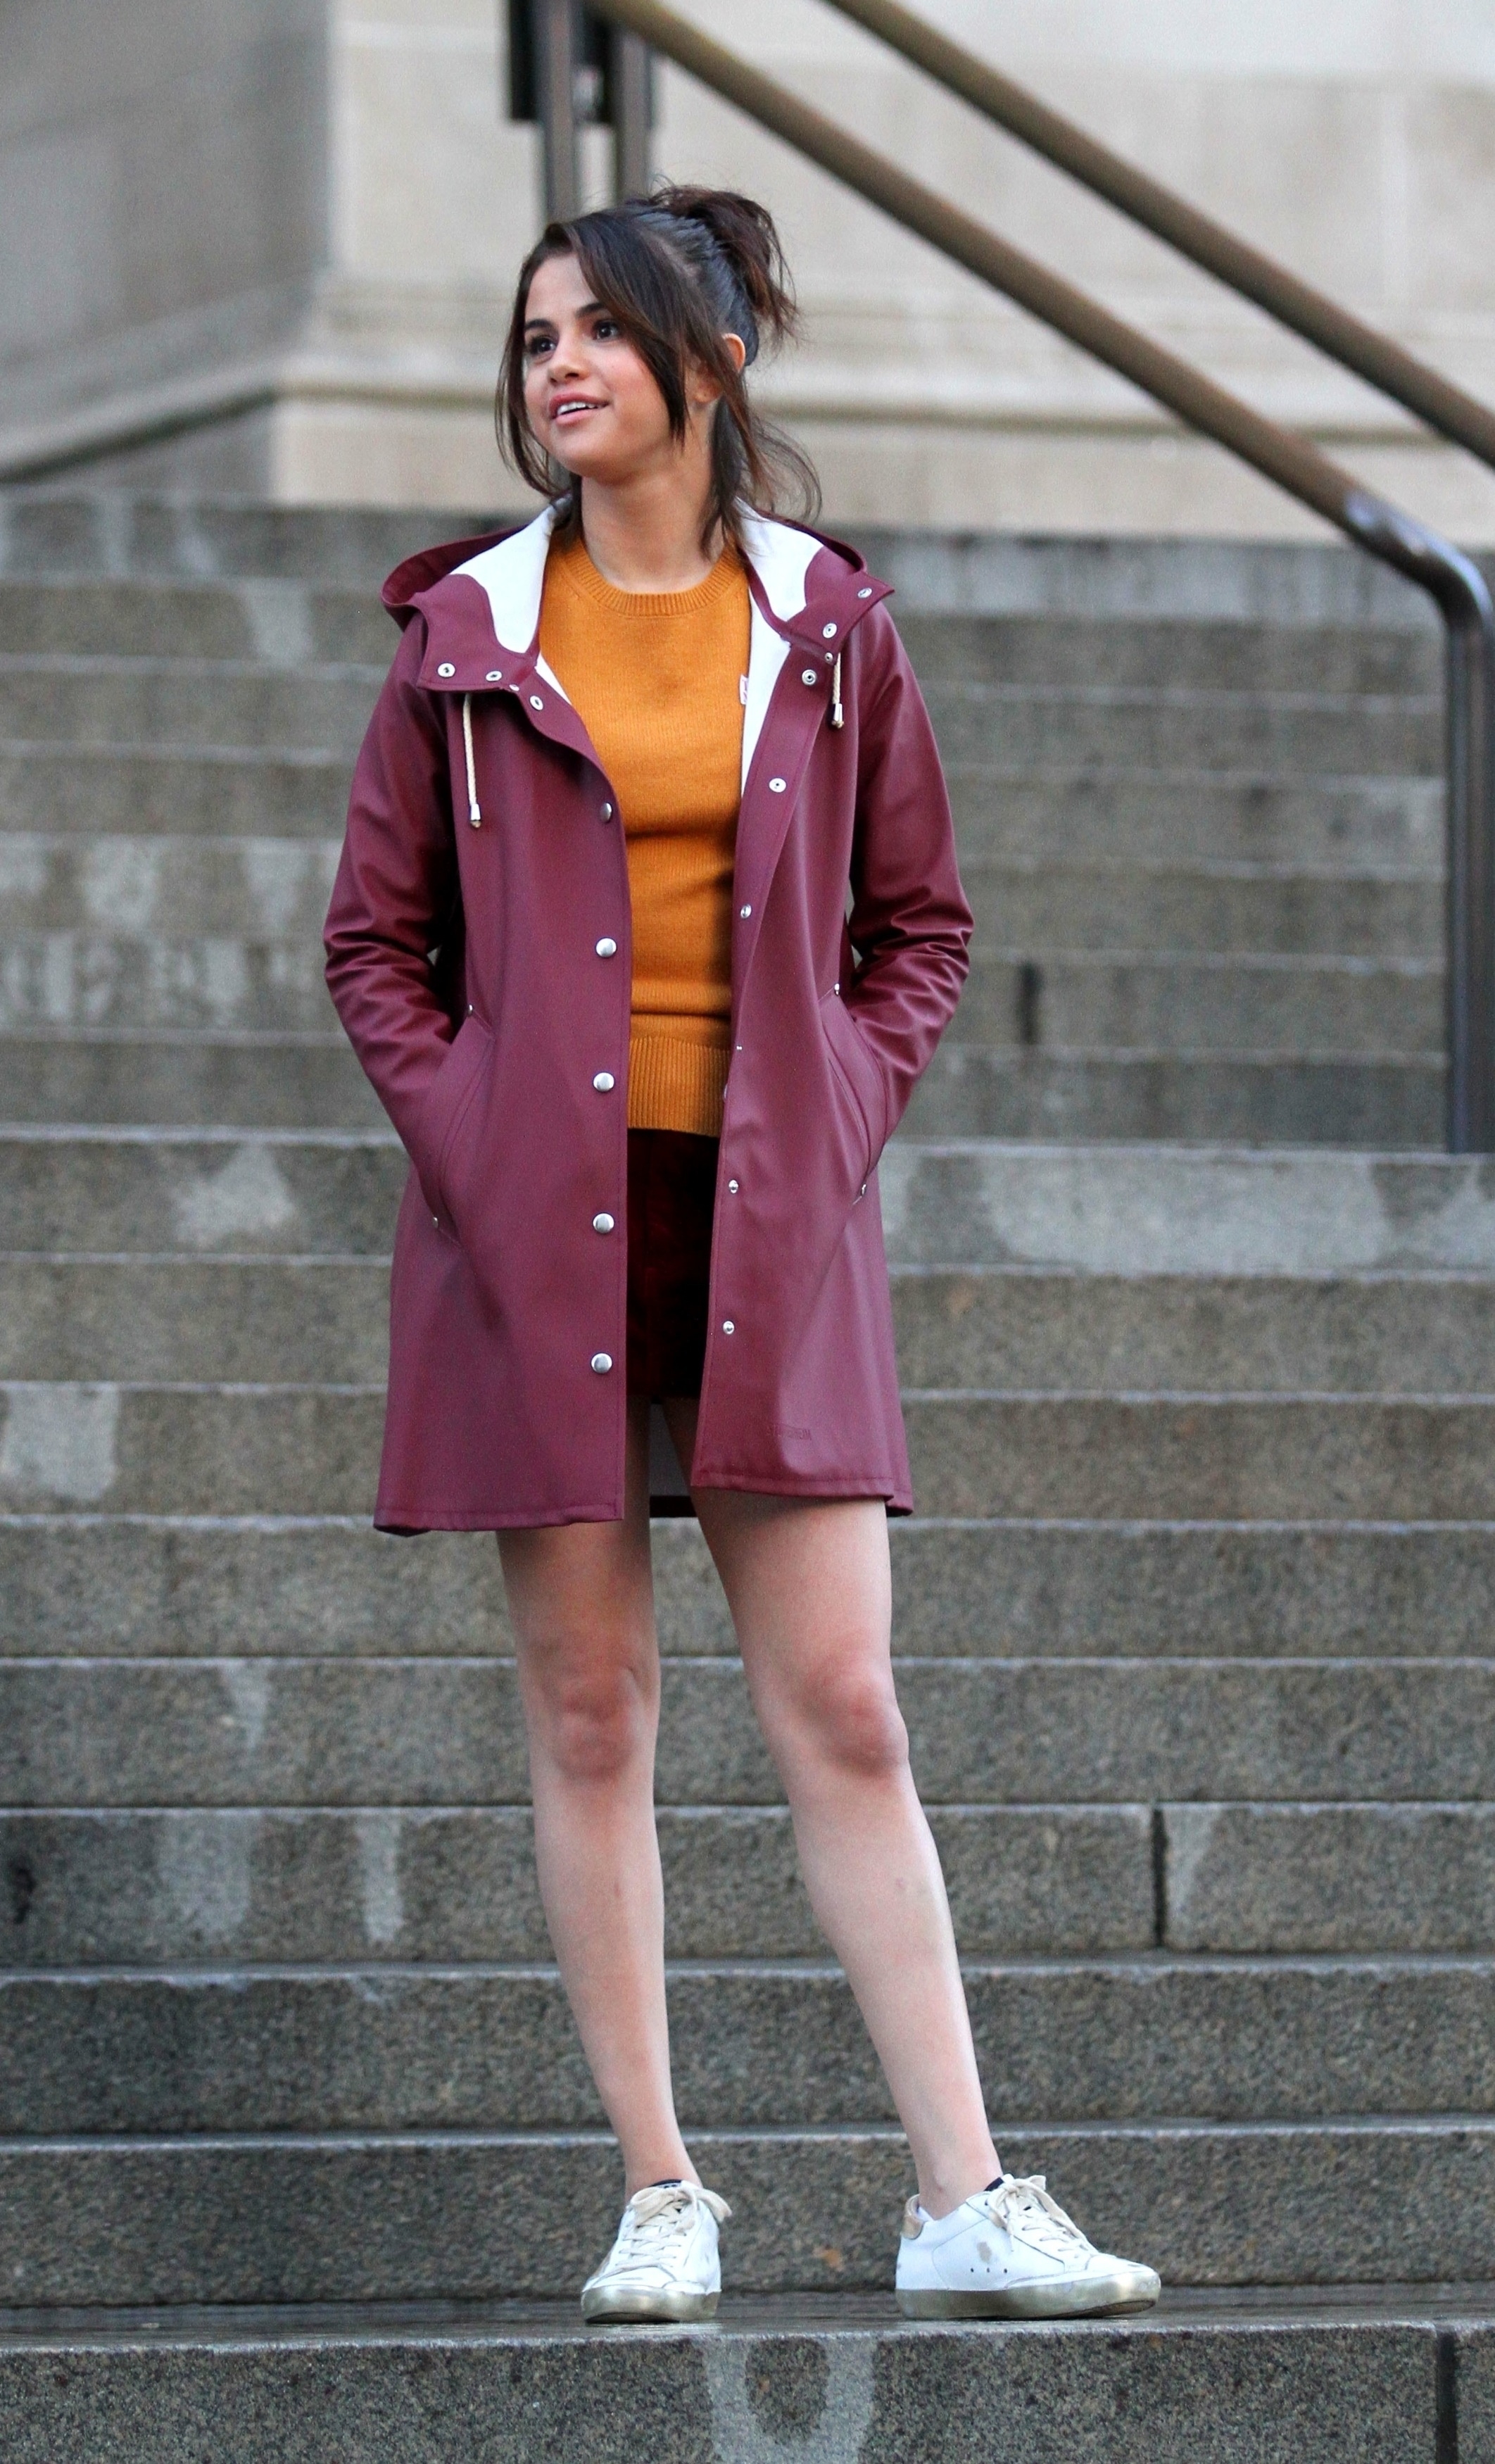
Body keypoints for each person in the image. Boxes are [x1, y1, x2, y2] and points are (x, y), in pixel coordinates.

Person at [324, 183, 1160, 2327]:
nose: (561, 369)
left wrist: (844, 1106)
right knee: (591, 1709)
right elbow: (375, 947)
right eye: (535, 338)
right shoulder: (463, 639)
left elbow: (919, 926)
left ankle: (963, 2193)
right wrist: (474, 1137)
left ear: (706, 364)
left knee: (848, 1706)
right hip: (540, 1238)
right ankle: (660, 2187)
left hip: (768, 1224)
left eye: (600, 331)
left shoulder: (827, 625)